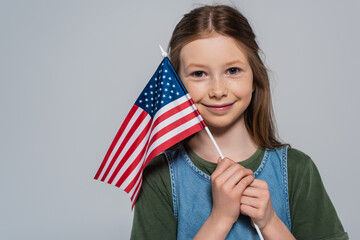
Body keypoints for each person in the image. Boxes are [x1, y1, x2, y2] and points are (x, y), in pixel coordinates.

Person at [130, 4, 348, 240]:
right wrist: (220, 219)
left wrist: (270, 222)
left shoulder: (297, 171)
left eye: (232, 70)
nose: (217, 90)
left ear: (254, 78)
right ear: (178, 86)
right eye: (199, 74)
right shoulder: (160, 177)